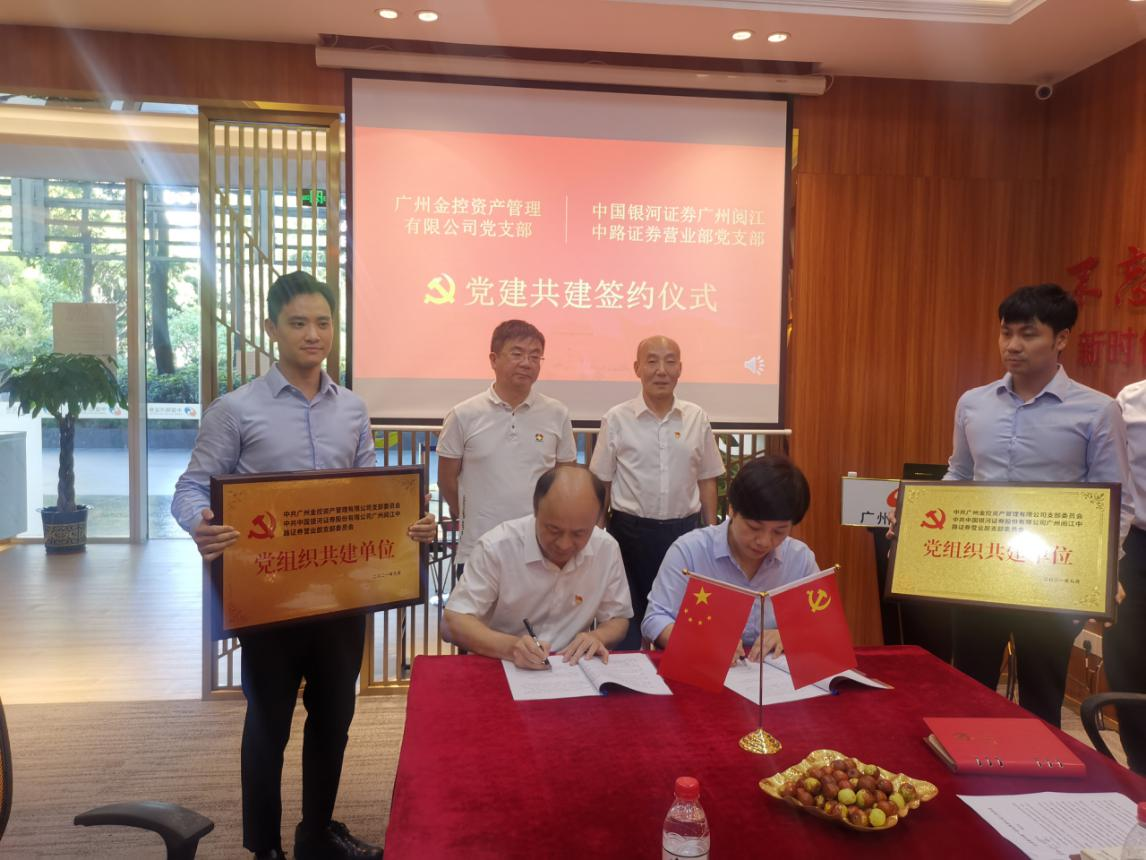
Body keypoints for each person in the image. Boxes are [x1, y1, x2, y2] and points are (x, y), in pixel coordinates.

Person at [171, 271, 436, 860]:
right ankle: (263, 847)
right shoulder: (235, 409)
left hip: (341, 590)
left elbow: (373, 490)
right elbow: (190, 487)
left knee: (335, 716)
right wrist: (200, 523)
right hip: (269, 592)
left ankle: (317, 833)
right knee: (269, 723)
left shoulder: (353, 408)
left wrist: (409, 521)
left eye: (323, 322)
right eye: (298, 323)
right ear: (272, 328)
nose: (312, 334)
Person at [944, 283, 1128, 728]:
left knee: (1042, 703)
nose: (1012, 346)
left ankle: (1038, 773)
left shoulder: (1097, 411)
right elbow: (959, 476)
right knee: (965, 690)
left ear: (1061, 338)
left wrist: (1099, 574)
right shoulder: (973, 403)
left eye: (1028, 335)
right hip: (978, 570)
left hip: (1052, 578)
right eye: (1005, 333)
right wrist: (918, 520)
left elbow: (1115, 505)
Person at [589, 334, 724, 650]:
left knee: (679, 624)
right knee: (627, 625)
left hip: (684, 534)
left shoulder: (696, 417)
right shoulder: (616, 418)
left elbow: (707, 478)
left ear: (680, 369)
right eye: (652, 361)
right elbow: (602, 482)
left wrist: (711, 531)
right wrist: (595, 536)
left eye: (670, 361)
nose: (661, 370)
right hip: (629, 534)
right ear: (637, 368)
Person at [440, 464, 632, 668]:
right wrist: (511, 648)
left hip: (571, 668)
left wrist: (598, 636)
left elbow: (618, 618)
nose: (564, 544)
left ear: (597, 520)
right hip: (502, 665)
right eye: (553, 530)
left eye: (579, 533)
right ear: (535, 510)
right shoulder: (497, 547)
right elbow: (452, 622)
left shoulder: (606, 548)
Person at [642, 454, 818, 660]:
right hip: (705, 668)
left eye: (779, 531)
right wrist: (697, 641)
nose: (764, 541)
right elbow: (655, 618)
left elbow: (821, 622)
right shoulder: (690, 550)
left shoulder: (800, 559)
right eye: (754, 527)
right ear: (732, 510)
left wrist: (790, 635)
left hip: (774, 672)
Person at [437, 319, 577, 574]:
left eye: (535, 356)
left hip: (539, 548)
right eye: (517, 354)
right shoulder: (463, 414)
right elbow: (446, 480)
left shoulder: (557, 413)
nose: (527, 363)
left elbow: (565, 479)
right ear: (493, 359)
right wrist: (472, 517)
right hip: (478, 548)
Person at [1106, 379, 1146, 773]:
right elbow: (1113, 474)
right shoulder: (1130, 400)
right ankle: (1139, 768)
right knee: (1128, 659)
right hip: (1137, 546)